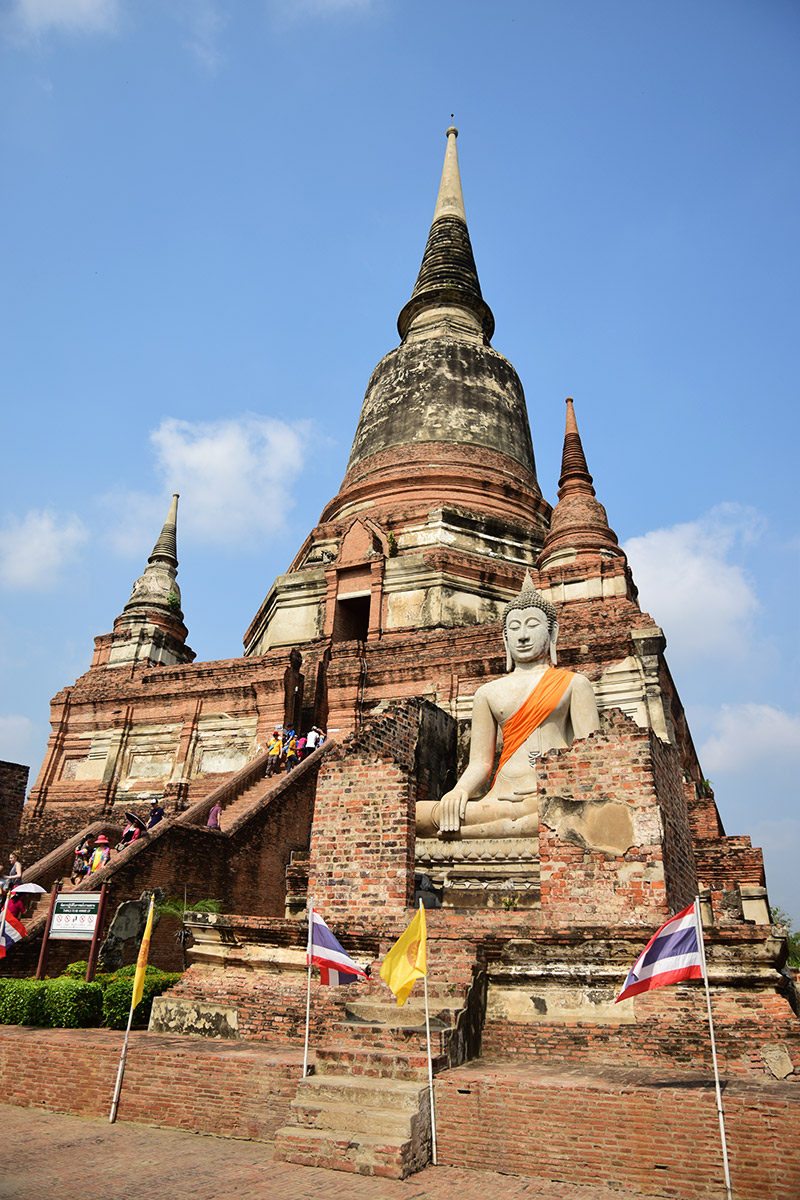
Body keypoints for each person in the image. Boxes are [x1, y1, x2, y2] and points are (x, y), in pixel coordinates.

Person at [416, 575, 600, 840]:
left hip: (552, 794)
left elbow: (589, 755)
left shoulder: (574, 684)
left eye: (532, 625)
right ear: (504, 637)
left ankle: (488, 831)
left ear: (552, 632)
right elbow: (480, 763)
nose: (522, 636)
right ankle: (515, 827)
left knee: (563, 812)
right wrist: (459, 792)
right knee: (420, 814)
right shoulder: (487, 693)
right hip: (500, 797)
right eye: (514, 628)